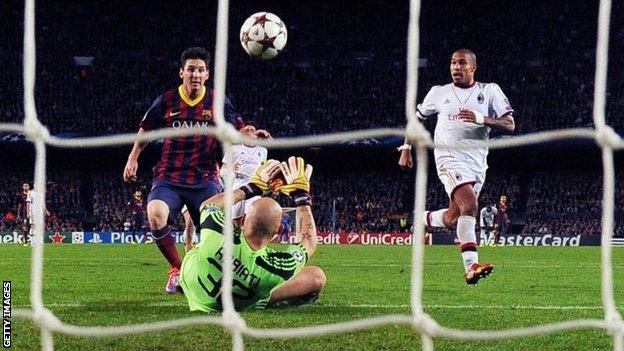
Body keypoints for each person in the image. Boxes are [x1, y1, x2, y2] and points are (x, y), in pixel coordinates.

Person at [122, 47, 249, 294]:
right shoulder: (167, 100)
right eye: (191, 69)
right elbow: (146, 128)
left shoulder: (217, 100)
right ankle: (179, 270)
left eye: (201, 70)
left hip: (204, 178)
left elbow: (240, 128)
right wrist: (133, 157)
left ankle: (211, 272)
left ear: (207, 74)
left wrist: (251, 136)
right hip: (169, 176)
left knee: (216, 234)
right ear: (182, 72)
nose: (196, 74)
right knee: (155, 214)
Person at [398, 48, 515, 284]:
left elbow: (510, 124)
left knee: (454, 217)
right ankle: (471, 266)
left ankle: (422, 218)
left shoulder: (489, 91)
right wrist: (406, 147)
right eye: (453, 63)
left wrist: (482, 119)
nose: (456, 67)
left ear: (473, 67)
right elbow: (417, 118)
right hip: (448, 158)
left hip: (477, 163)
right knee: (470, 204)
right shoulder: (438, 93)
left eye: (462, 63)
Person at [180, 157, 326, 311]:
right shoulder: (277, 267)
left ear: (242, 219)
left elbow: (208, 206)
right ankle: (266, 300)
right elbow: (308, 243)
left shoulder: (218, 233)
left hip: (191, 285)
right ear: (277, 231)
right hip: (240, 303)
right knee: (316, 276)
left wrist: (251, 188)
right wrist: (302, 197)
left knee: (204, 242)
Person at [220, 124, 270, 226]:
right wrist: (231, 169)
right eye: (246, 130)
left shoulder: (263, 151)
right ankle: (238, 235)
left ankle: (248, 238)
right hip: (237, 184)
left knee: (252, 214)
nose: (249, 132)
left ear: (256, 134)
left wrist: (268, 137)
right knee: (236, 219)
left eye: (252, 130)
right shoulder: (233, 149)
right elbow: (222, 171)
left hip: (254, 185)